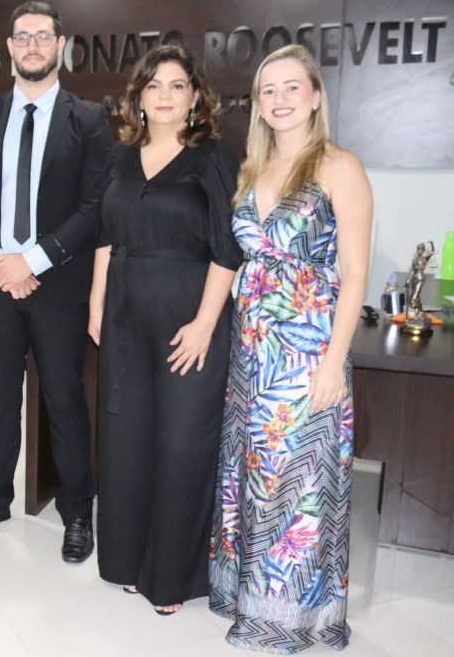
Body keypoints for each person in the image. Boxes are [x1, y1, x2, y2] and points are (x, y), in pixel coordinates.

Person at [209, 44, 372, 652]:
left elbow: (355, 273)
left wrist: (333, 362)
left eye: (291, 87)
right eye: (268, 90)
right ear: (257, 103)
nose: (279, 100)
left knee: (296, 484)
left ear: (315, 96)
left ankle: (291, 619)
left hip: (308, 351)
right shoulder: (253, 167)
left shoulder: (338, 166)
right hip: (252, 350)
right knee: (252, 476)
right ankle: (250, 601)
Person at [0, 1, 113, 562]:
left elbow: (94, 207)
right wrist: (1, 262)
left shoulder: (90, 120)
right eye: (22, 37)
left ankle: (77, 511)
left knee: (65, 400)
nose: (32, 45)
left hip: (58, 287)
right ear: (9, 47)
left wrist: (33, 261)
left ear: (60, 45)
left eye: (42, 36)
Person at [88, 45, 241, 615]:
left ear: (195, 97)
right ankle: (127, 561)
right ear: (138, 98)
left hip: (189, 314)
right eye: (154, 86)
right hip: (124, 314)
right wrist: (96, 306)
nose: (165, 96)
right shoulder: (120, 155)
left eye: (177, 86)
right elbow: (105, 235)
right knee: (126, 440)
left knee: (181, 444)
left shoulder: (213, 157)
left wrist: (205, 323)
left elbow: (228, 248)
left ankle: (172, 577)